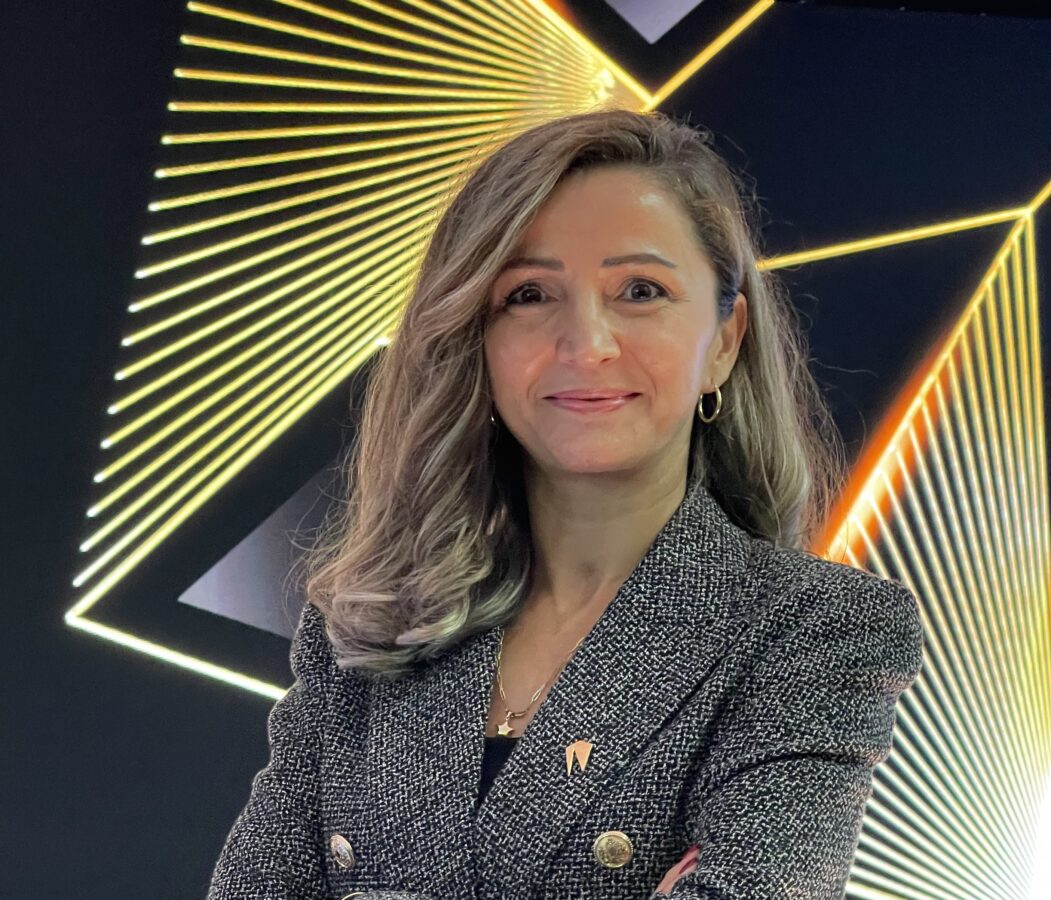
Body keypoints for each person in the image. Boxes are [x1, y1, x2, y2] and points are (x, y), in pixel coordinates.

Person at [206, 108, 924, 899]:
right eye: (529, 294)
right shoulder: (361, 632)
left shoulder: (815, 630)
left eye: (640, 291)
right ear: (475, 337)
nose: (586, 344)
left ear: (724, 340)